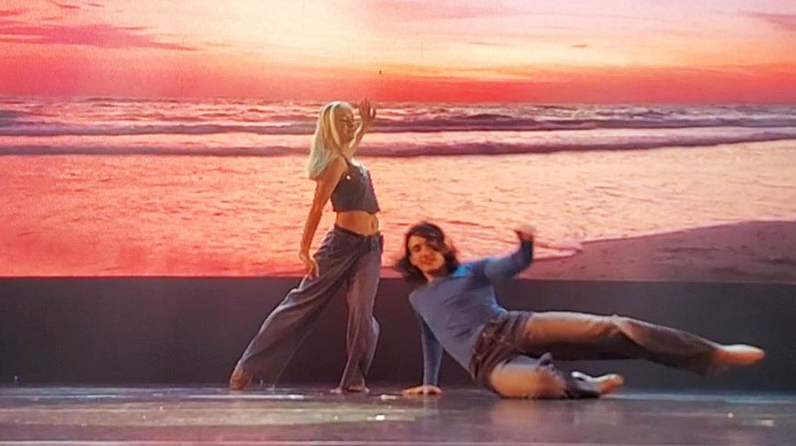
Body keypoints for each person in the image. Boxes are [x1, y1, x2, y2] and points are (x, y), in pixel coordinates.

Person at [395, 221, 765, 398]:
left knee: (613, 328)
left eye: (431, 244)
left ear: (444, 247)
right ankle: (586, 384)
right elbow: (432, 340)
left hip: (515, 327)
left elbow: (512, 265)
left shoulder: (472, 271)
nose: (425, 253)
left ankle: (712, 352)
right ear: (410, 258)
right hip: (487, 365)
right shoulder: (418, 299)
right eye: (416, 249)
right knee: (540, 384)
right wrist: (430, 381)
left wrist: (526, 246)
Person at [229, 100, 383, 393]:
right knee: (299, 304)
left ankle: (353, 379)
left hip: (371, 248)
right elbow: (316, 208)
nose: (349, 123)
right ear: (330, 127)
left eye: (350, 118)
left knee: (363, 314)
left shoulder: (346, 158)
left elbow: (349, 148)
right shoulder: (335, 164)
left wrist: (364, 125)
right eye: (343, 120)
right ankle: (248, 367)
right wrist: (304, 250)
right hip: (341, 245)